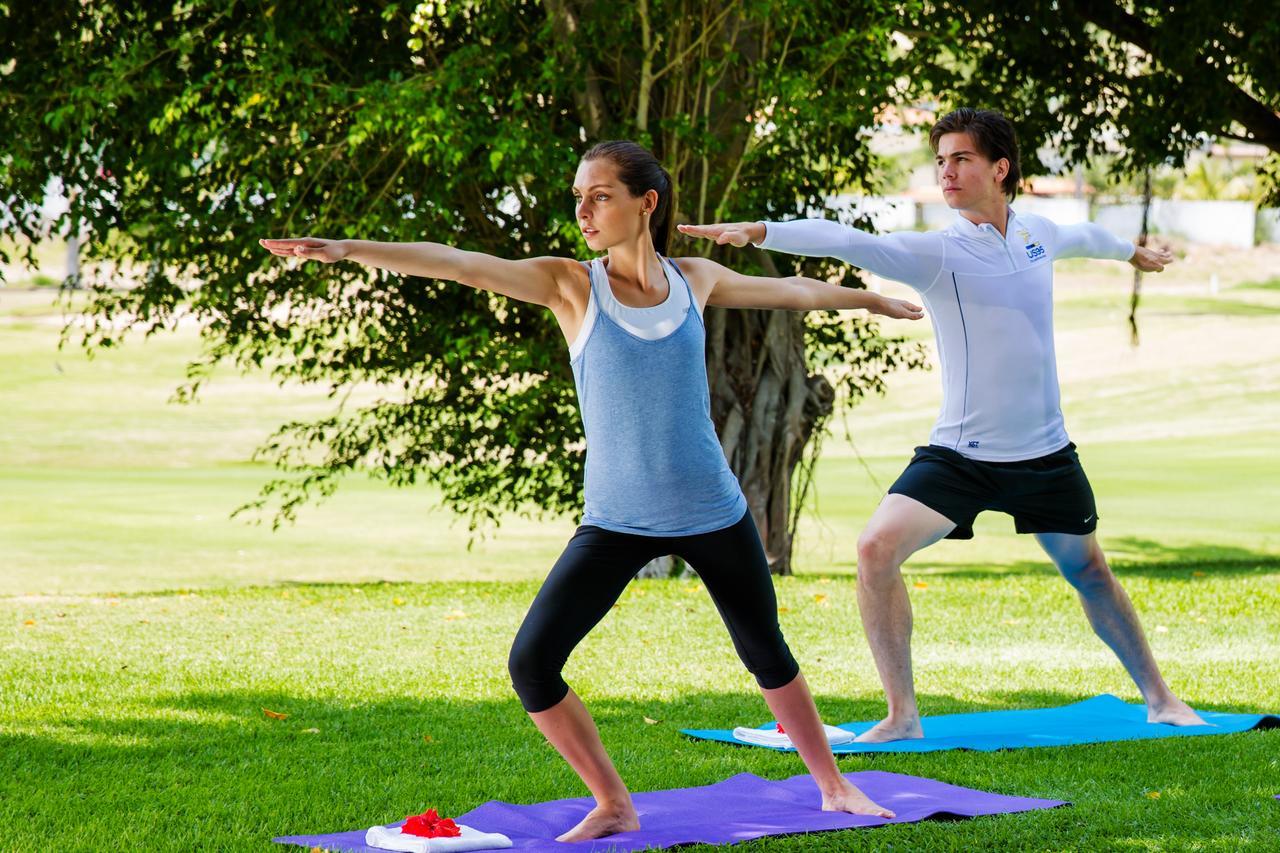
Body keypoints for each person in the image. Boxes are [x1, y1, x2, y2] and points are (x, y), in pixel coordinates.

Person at [261, 140, 924, 840]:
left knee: (766, 651)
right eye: (578, 196)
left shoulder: (694, 279)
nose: (583, 209)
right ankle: (613, 801)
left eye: (599, 194)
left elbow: (793, 293)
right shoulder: (570, 285)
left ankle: (833, 786)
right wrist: (344, 249)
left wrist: (869, 300)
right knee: (532, 663)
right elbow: (458, 264)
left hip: (711, 508)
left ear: (647, 202)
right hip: (617, 519)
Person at [678, 107, 1205, 743]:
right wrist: (759, 232)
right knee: (876, 550)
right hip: (963, 457)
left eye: (960, 159)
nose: (946, 172)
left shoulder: (1039, 233)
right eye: (940, 161)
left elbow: (1088, 235)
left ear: (1000, 168)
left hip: (1044, 454)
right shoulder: (938, 254)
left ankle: (1162, 699)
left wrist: (1131, 252)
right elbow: (848, 240)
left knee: (1089, 571)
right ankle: (902, 716)